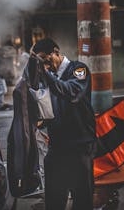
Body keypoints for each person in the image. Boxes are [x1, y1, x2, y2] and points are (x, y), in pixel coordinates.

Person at [28, 38, 96, 210]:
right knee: (54, 197)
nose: (44, 64)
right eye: (40, 61)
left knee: (82, 197)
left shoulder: (78, 69)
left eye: (45, 59)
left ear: (56, 52)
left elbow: (71, 92)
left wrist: (45, 73)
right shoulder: (47, 75)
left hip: (80, 145)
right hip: (57, 146)